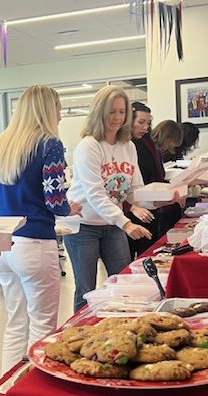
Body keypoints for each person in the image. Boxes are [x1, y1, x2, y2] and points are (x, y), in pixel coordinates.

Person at [0, 85, 80, 374]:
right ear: (48, 109)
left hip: (5, 245)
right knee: (43, 325)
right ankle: (34, 393)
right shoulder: (49, 144)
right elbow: (55, 198)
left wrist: (8, 217)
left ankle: (6, 388)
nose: (59, 115)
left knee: (15, 322)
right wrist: (69, 209)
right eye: (58, 108)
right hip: (35, 243)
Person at [64, 85, 158, 313]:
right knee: (86, 289)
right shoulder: (89, 146)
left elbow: (135, 189)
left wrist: (162, 199)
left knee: (122, 285)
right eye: (112, 111)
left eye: (122, 111)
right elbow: (95, 194)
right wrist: (126, 223)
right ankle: (79, 335)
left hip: (113, 226)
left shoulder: (128, 146)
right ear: (99, 112)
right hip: (83, 227)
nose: (117, 117)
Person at [126, 102, 164, 257]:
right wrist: (132, 207)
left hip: (148, 207)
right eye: (141, 122)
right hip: (129, 209)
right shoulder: (124, 146)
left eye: (148, 123)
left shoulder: (147, 143)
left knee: (148, 257)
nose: (145, 127)